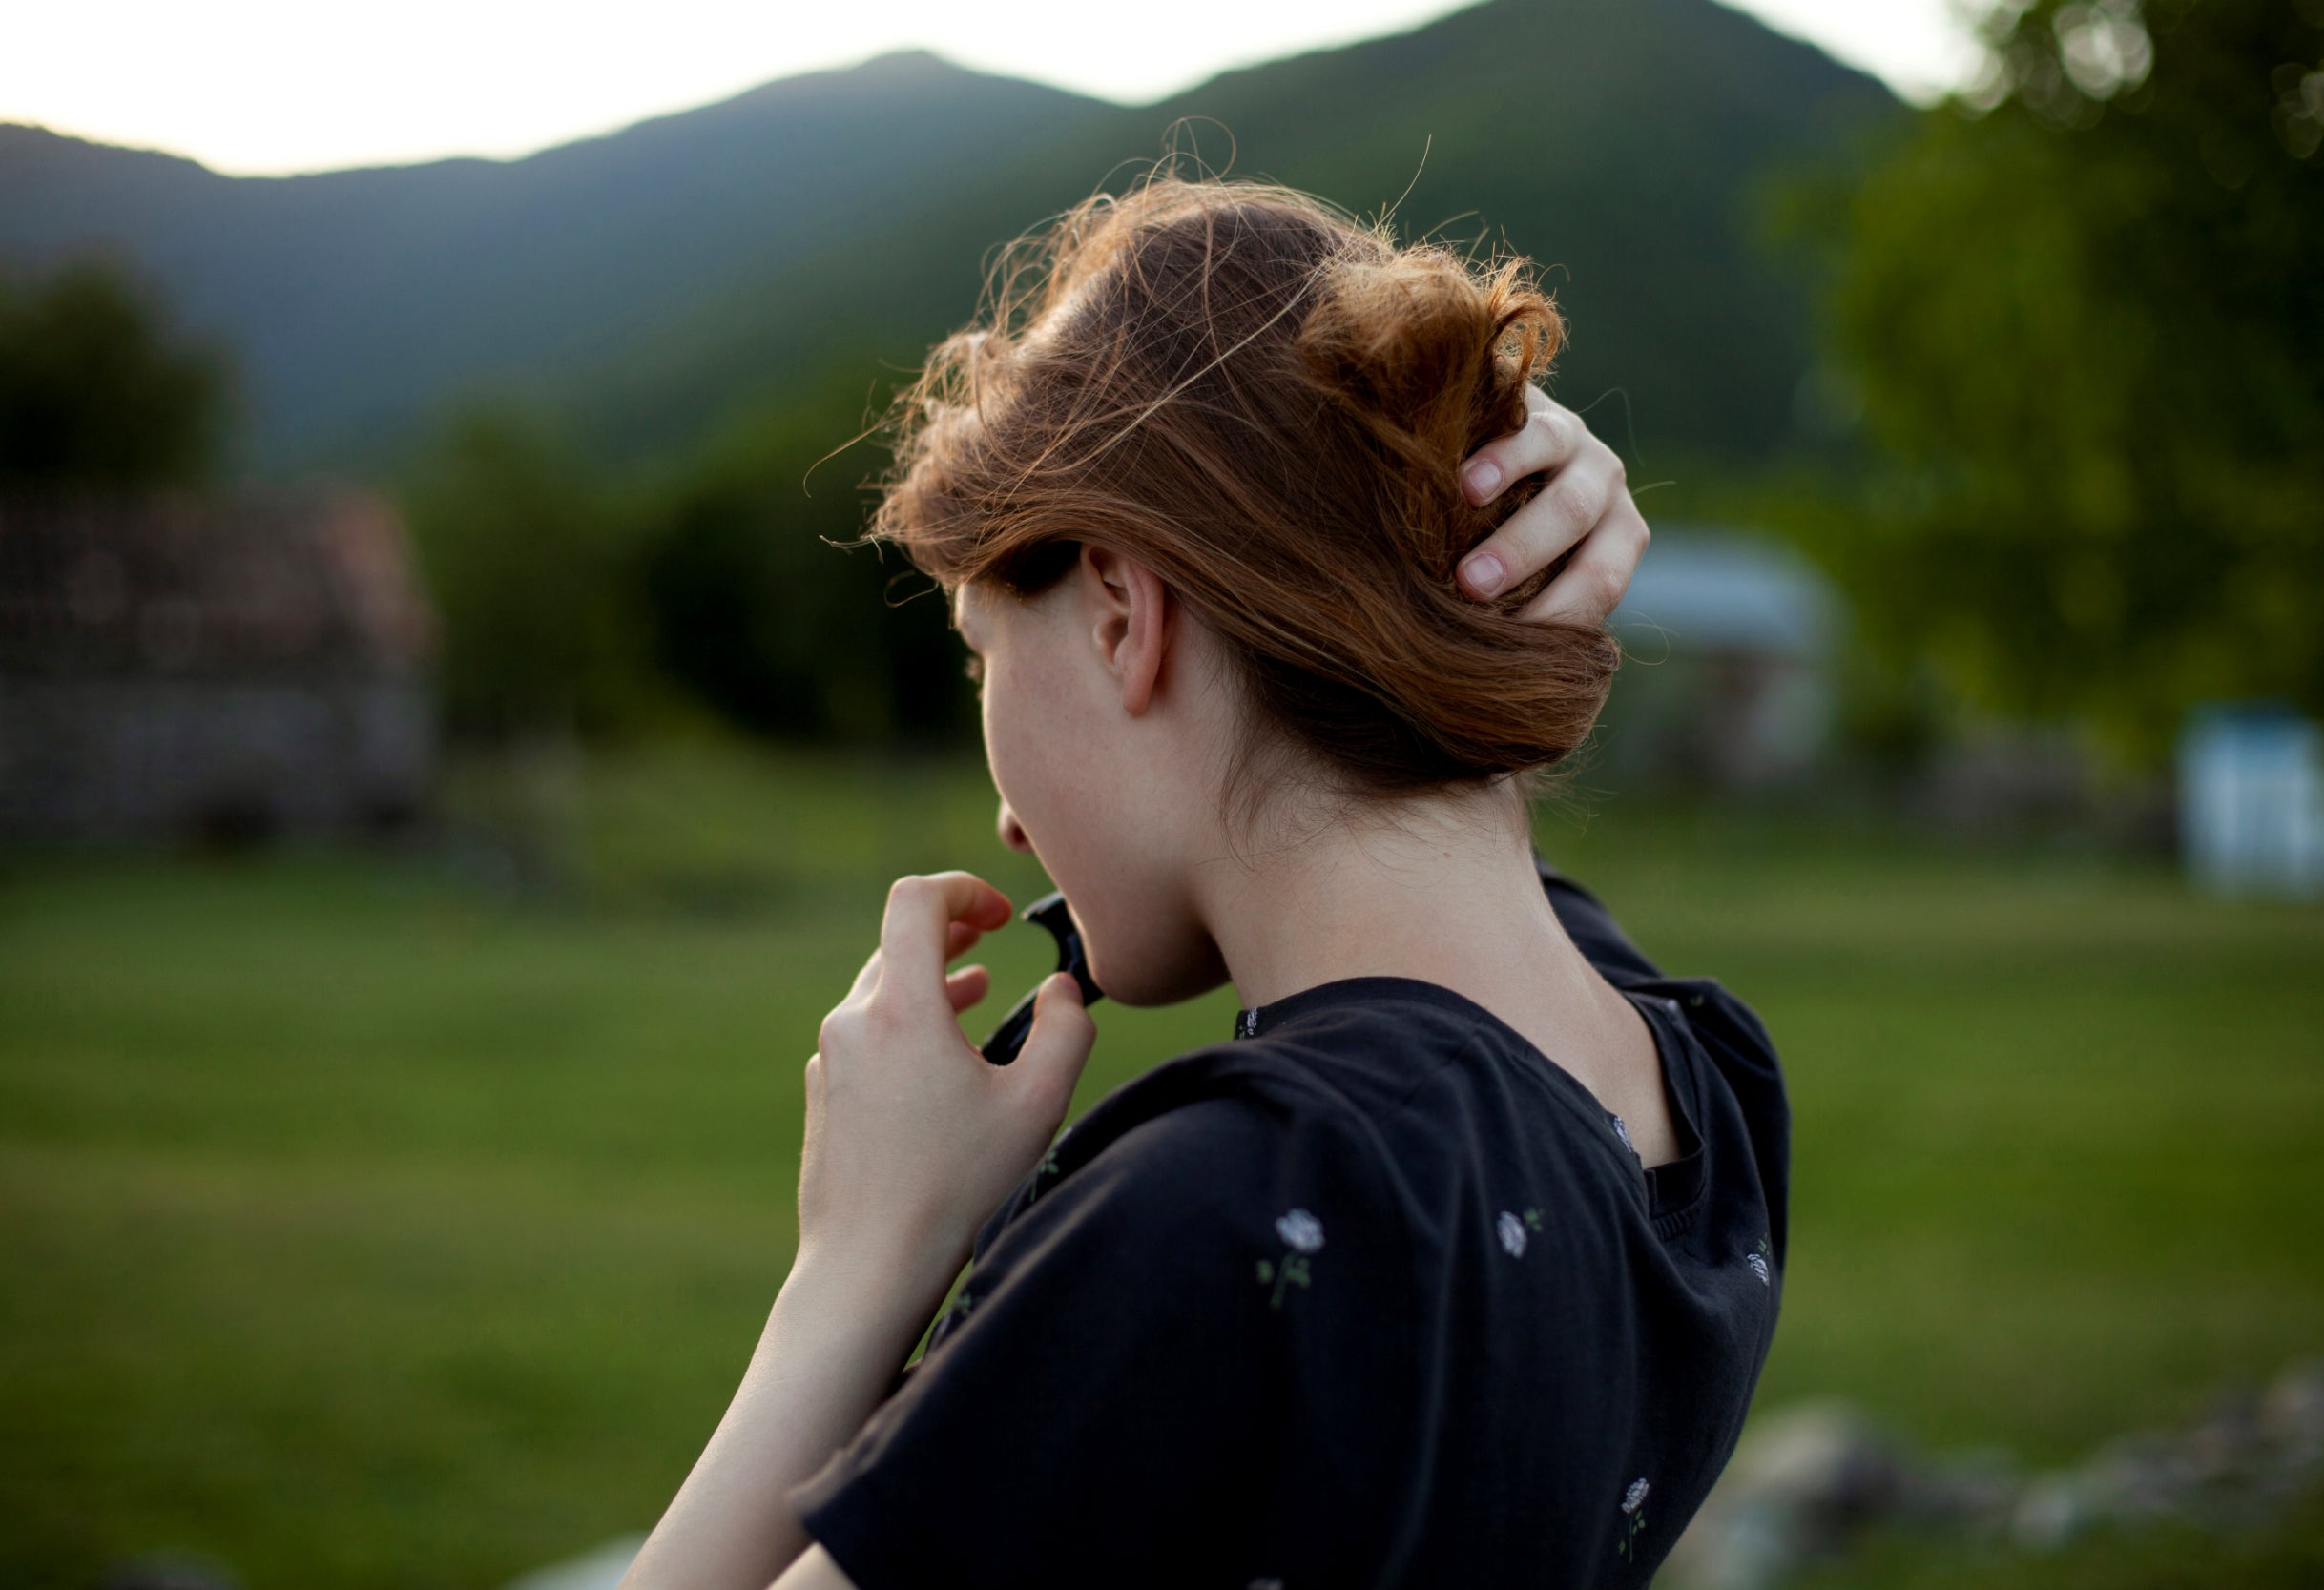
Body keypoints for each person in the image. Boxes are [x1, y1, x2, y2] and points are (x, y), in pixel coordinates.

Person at [623, 178, 1786, 1590]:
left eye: (986, 657)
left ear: (1121, 611)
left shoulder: (1227, 1216)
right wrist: (1460, 543)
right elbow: (1462, 877)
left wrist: (860, 1262)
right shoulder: (1700, 1088)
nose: (1003, 814)